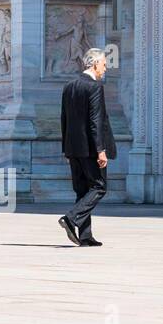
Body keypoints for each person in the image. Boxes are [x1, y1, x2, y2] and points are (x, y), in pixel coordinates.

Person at [57, 48, 116, 247]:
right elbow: (95, 121)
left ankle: (85, 235)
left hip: (73, 147)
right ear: (94, 64)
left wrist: (66, 148)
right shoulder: (94, 87)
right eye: (104, 65)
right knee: (99, 186)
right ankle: (71, 218)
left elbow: (63, 119)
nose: (105, 69)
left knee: (82, 190)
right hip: (91, 149)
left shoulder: (69, 86)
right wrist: (101, 150)